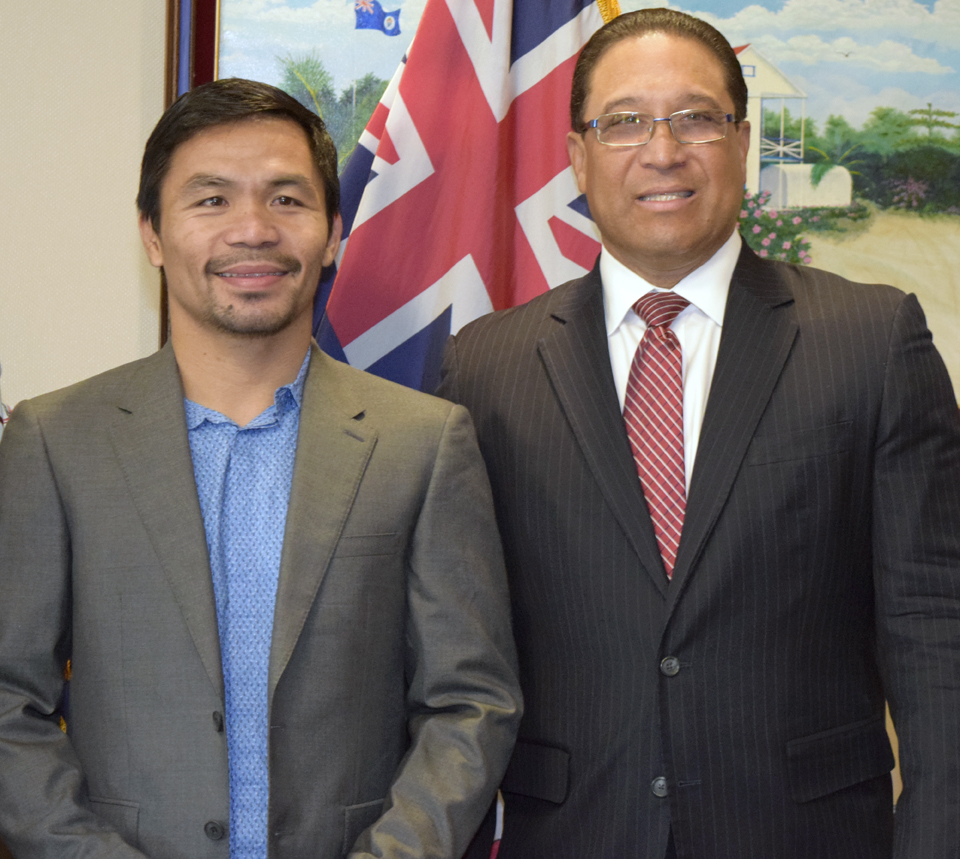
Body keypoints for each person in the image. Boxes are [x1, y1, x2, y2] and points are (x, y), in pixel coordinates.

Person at [439, 9, 960, 859]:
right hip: (575, 834)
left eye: (695, 118)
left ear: (742, 141)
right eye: (624, 122)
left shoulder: (871, 340)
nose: (663, 151)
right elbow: (455, 650)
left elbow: (936, 631)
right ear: (577, 157)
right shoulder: (485, 366)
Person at [0, 78, 521, 859]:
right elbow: (8, 697)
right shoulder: (55, 440)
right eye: (211, 200)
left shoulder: (424, 441)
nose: (252, 230)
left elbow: (470, 701)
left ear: (332, 233)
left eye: (286, 199)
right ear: (152, 234)